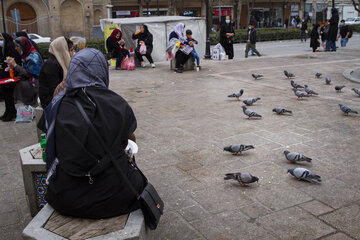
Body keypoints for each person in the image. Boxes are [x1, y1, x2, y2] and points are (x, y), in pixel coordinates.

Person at [44, 48, 144, 219]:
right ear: (101, 70)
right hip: (114, 197)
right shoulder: (116, 103)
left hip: (66, 197)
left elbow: (52, 142)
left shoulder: (57, 104)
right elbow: (129, 140)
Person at [7, 37, 43, 107]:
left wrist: (15, 65)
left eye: (17, 46)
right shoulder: (27, 54)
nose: (15, 48)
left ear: (23, 46)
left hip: (36, 84)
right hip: (33, 82)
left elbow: (28, 73)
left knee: (19, 85)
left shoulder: (32, 57)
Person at [39, 37, 74, 110]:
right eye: (71, 50)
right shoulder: (52, 65)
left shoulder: (59, 62)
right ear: (63, 50)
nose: (73, 53)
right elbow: (55, 91)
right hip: (50, 102)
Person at [0, 33, 21, 121]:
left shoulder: (10, 47)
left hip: (10, 75)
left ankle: (11, 113)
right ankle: (8, 111)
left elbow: (11, 60)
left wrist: (3, 65)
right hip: (6, 73)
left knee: (8, 95)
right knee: (6, 95)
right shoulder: (6, 46)